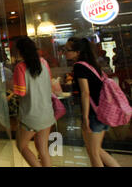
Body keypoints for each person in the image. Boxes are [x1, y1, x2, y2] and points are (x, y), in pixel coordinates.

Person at [64, 37, 120, 167]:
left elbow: (85, 92)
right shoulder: (92, 65)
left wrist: (85, 118)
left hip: (93, 114)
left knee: (93, 153)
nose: (64, 52)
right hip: (103, 111)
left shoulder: (79, 66)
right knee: (97, 150)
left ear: (78, 52)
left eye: (67, 50)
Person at [13, 36, 55, 167]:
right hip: (47, 114)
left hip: (31, 116)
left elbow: (20, 92)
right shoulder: (44, 63)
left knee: (21, 145)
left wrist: (8, 84)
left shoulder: (20, 67)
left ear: (20, 51)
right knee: (42, 149)